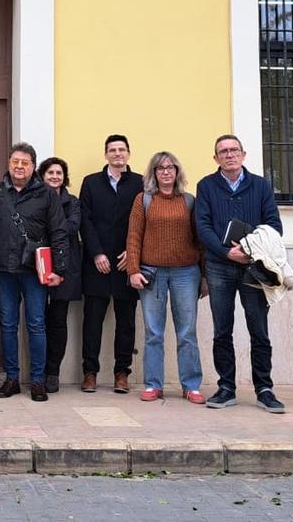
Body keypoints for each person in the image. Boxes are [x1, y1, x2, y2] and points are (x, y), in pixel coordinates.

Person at [195, 134, 285, 413]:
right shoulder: (206, 186)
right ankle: (226, 388)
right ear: (216, 158)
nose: (229, 155)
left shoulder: (260, 186)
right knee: (222, 330)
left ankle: (265, 389)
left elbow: (274, 225)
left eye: (234, 150)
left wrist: (251, 248)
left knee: (259, 329)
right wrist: (226, 252)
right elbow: (202, 226)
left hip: (254, 268)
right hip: (220, 267)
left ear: (243, 155)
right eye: (223, 151)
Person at [0, 142, 67, 402]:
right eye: (15, 162)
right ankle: (11, 379)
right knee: (8, 325)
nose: (19, 167)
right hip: (4, 269)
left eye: (25, 163)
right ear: (9, 164)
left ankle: (37, 381)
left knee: (36, 325)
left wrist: (59, 268)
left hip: (34, 271)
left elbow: (59, 232)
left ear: (33, 166)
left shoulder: (46, 194)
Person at [126, 151, 205, 405]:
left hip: (186, 273)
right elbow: (134, 237)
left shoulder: (189, 201)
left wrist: (204, 276)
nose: (166, 172)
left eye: (171, 167)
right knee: (153, 333)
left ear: (178, 171)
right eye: (160, 168)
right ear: (153, 173)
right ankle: (153, 384)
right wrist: (133, 270)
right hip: (152, 273)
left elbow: (200, 240)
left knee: (187, 332)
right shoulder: (143, 200)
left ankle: (191, 385)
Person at [79, 134, 143, 393]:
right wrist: (96, 253)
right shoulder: (91, 183)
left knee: (126, 322)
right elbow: (85, 219)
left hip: (127, 263)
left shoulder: (140, 182)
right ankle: (90, 373)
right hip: (97, 263)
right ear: (105, 154)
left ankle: (121, 373)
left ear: (128, 153)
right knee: (92, 321)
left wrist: (133, 253)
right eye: (112, 150)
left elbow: (143, 221)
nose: (117, 154)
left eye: (122, 150)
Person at [37, 156, 82, 394]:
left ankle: (53, 372)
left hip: (65, 268)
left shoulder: (72, 202)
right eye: (50, 173)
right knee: (37, 321)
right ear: (42, 176)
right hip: (39, 266)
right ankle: (38, 370)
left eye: (59, 173)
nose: (55, 177)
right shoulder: (34, 200)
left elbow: (72, 227)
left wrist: (49, 225)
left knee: (57, 321)